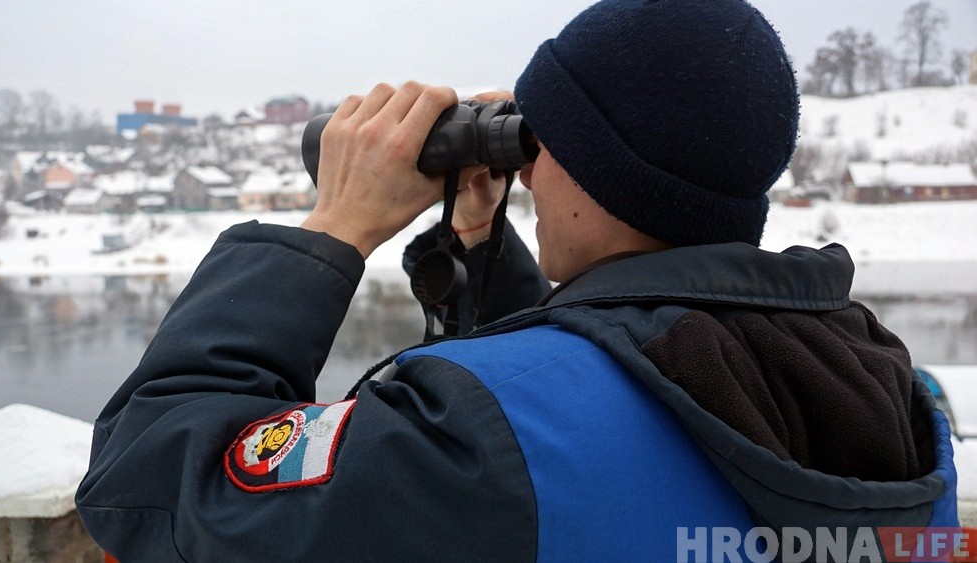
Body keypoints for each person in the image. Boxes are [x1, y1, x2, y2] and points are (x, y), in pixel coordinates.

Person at [77, 0, 959, 561]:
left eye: (546, 146)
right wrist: (477, 242)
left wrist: (336, 226)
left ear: (602, 170)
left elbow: (148, 480)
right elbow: (611, 415)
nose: (529, 175)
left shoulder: (476, 442)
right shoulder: (886, 389)